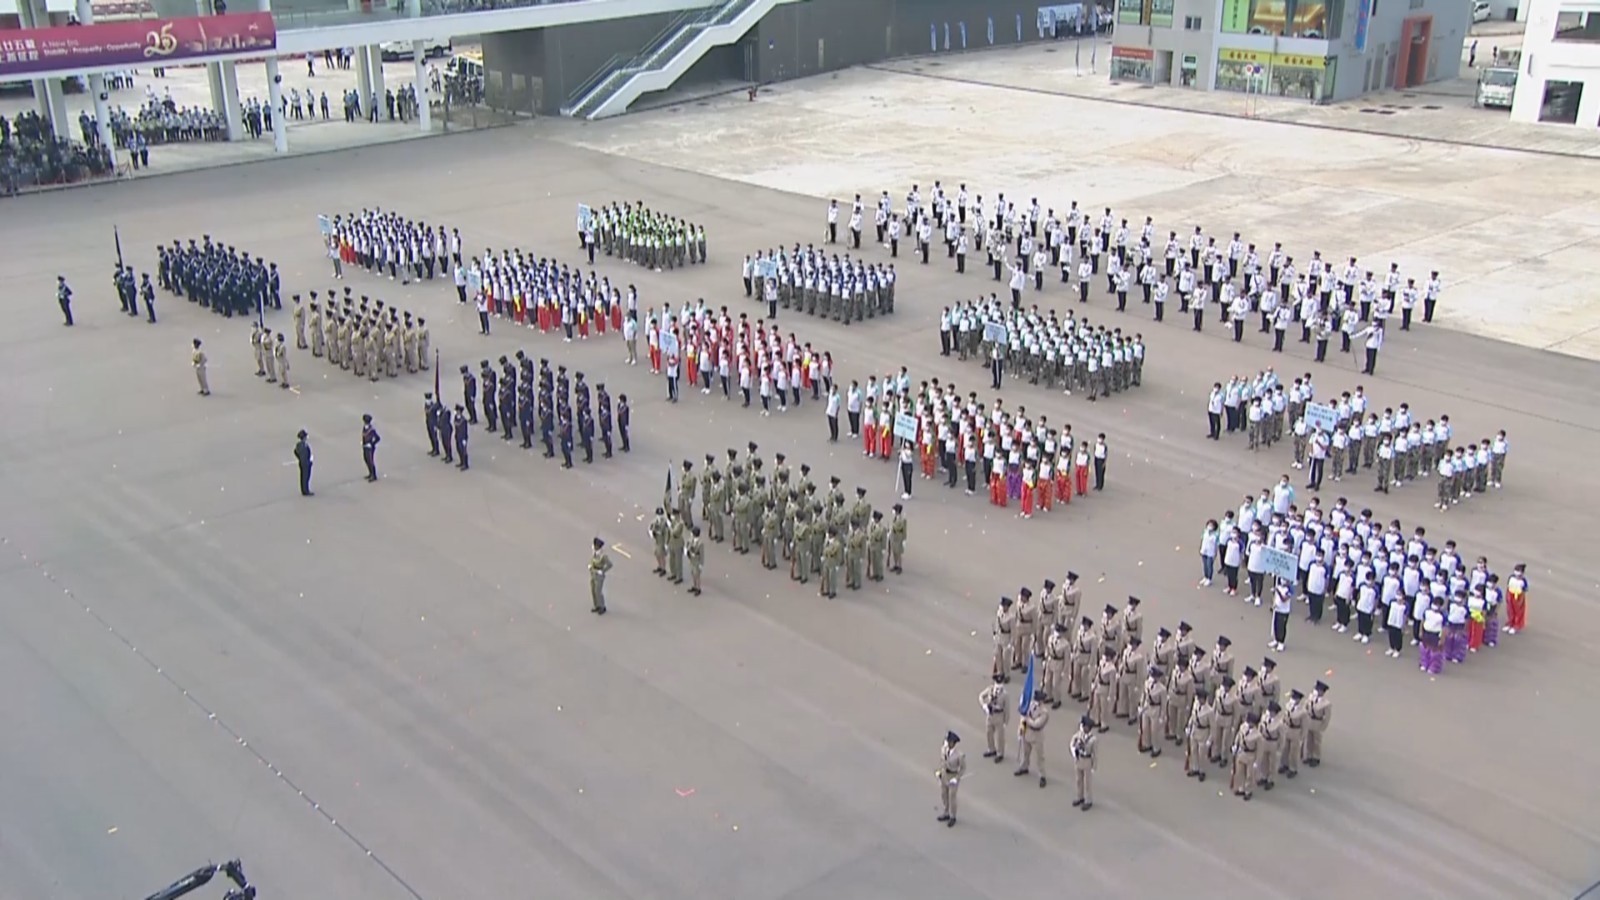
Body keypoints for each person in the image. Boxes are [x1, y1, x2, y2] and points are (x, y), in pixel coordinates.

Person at [1014, 689, 1050, 788]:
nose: (1037, 701)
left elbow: (1036, 724)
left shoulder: (1044, 712)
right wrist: (1021, 729)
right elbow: (1023, 717)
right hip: (1026, 732)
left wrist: (1027, 719)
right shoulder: (1030, 705)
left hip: (1037, 735)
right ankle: (1024, 767)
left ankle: (1042, 775)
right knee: (1025, 752)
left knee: (1039, 757)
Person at [937, 731, 965, 827]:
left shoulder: (959, 755)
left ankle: (953, 816)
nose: (948, 743)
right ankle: (946, 812)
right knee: (944, 795)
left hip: (953, 776)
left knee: (951, 797)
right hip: (945, 775)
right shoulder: (944, 749)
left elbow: (962, 768)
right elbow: (942, 761)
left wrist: (957, 778)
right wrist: (940, 772)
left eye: (950, 742)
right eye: (947, 741)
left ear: (954, 743)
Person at [979, 673, 1008, 763]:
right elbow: (981, 696)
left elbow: (1007, 709)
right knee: (989, 732)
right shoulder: (990, 689)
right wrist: (984, 706)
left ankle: (1000, 753)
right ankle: (991, 749)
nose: (998, 686)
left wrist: (1005, 721)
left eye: (1000, 684)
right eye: (997, 683)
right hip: (990, 714)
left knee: (1000, 736)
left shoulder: (1005, 694)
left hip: (999, 715)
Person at [1070, 714, 1097, 810]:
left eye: (1085, 726)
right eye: (1083, 726)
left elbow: (1095, 754)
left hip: (1087, 760)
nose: (1084, 728)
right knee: (1078, 780)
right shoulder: (1079, 735)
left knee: (1087, 782)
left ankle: (1088, 800)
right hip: (1079, 759)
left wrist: (1094, 766)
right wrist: (1074, 752)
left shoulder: (1093, 739)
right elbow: (1072, 743)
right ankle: (1079, 796)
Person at [589, 537, 613, 614]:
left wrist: (602, 571)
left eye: (595, 546)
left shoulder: (603, 555)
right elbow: (592, 560)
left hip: (599, 575)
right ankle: (596, 605)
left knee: (598, 591)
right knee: (593, 590)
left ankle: (602, 607)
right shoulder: (594, 552)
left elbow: (610, 564)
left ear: (598, 547)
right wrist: (590, 566)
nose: (594, 547)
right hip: (593, 572)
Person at [293, 429, 314, 497]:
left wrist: (299, 458)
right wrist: (308, 462)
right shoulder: (304, 446)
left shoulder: (298, 445)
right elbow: (304, 455)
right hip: (305, 463)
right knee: (305, 477)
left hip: (302, 463)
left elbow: (295, 452)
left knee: (303, 476)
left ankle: (304, 489)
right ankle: (305, 490)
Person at [361, 413, 380, 482]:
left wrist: (372, 444)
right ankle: (370, 473)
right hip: (365, 446)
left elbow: (378, 438)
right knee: (366, 460)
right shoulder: (365, 427)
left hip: (369, 448)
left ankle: (374, 475)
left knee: (370, 461)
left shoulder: (371, 429)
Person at [685, 525, 704, 595]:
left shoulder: (700, 543)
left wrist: (701, 564)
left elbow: (702, 554)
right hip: (692, 559)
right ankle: (694, 586)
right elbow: (688, 546)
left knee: (697, 575)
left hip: (697, 560)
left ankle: (698, 588)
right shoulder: (691, 540)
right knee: (693, 573)